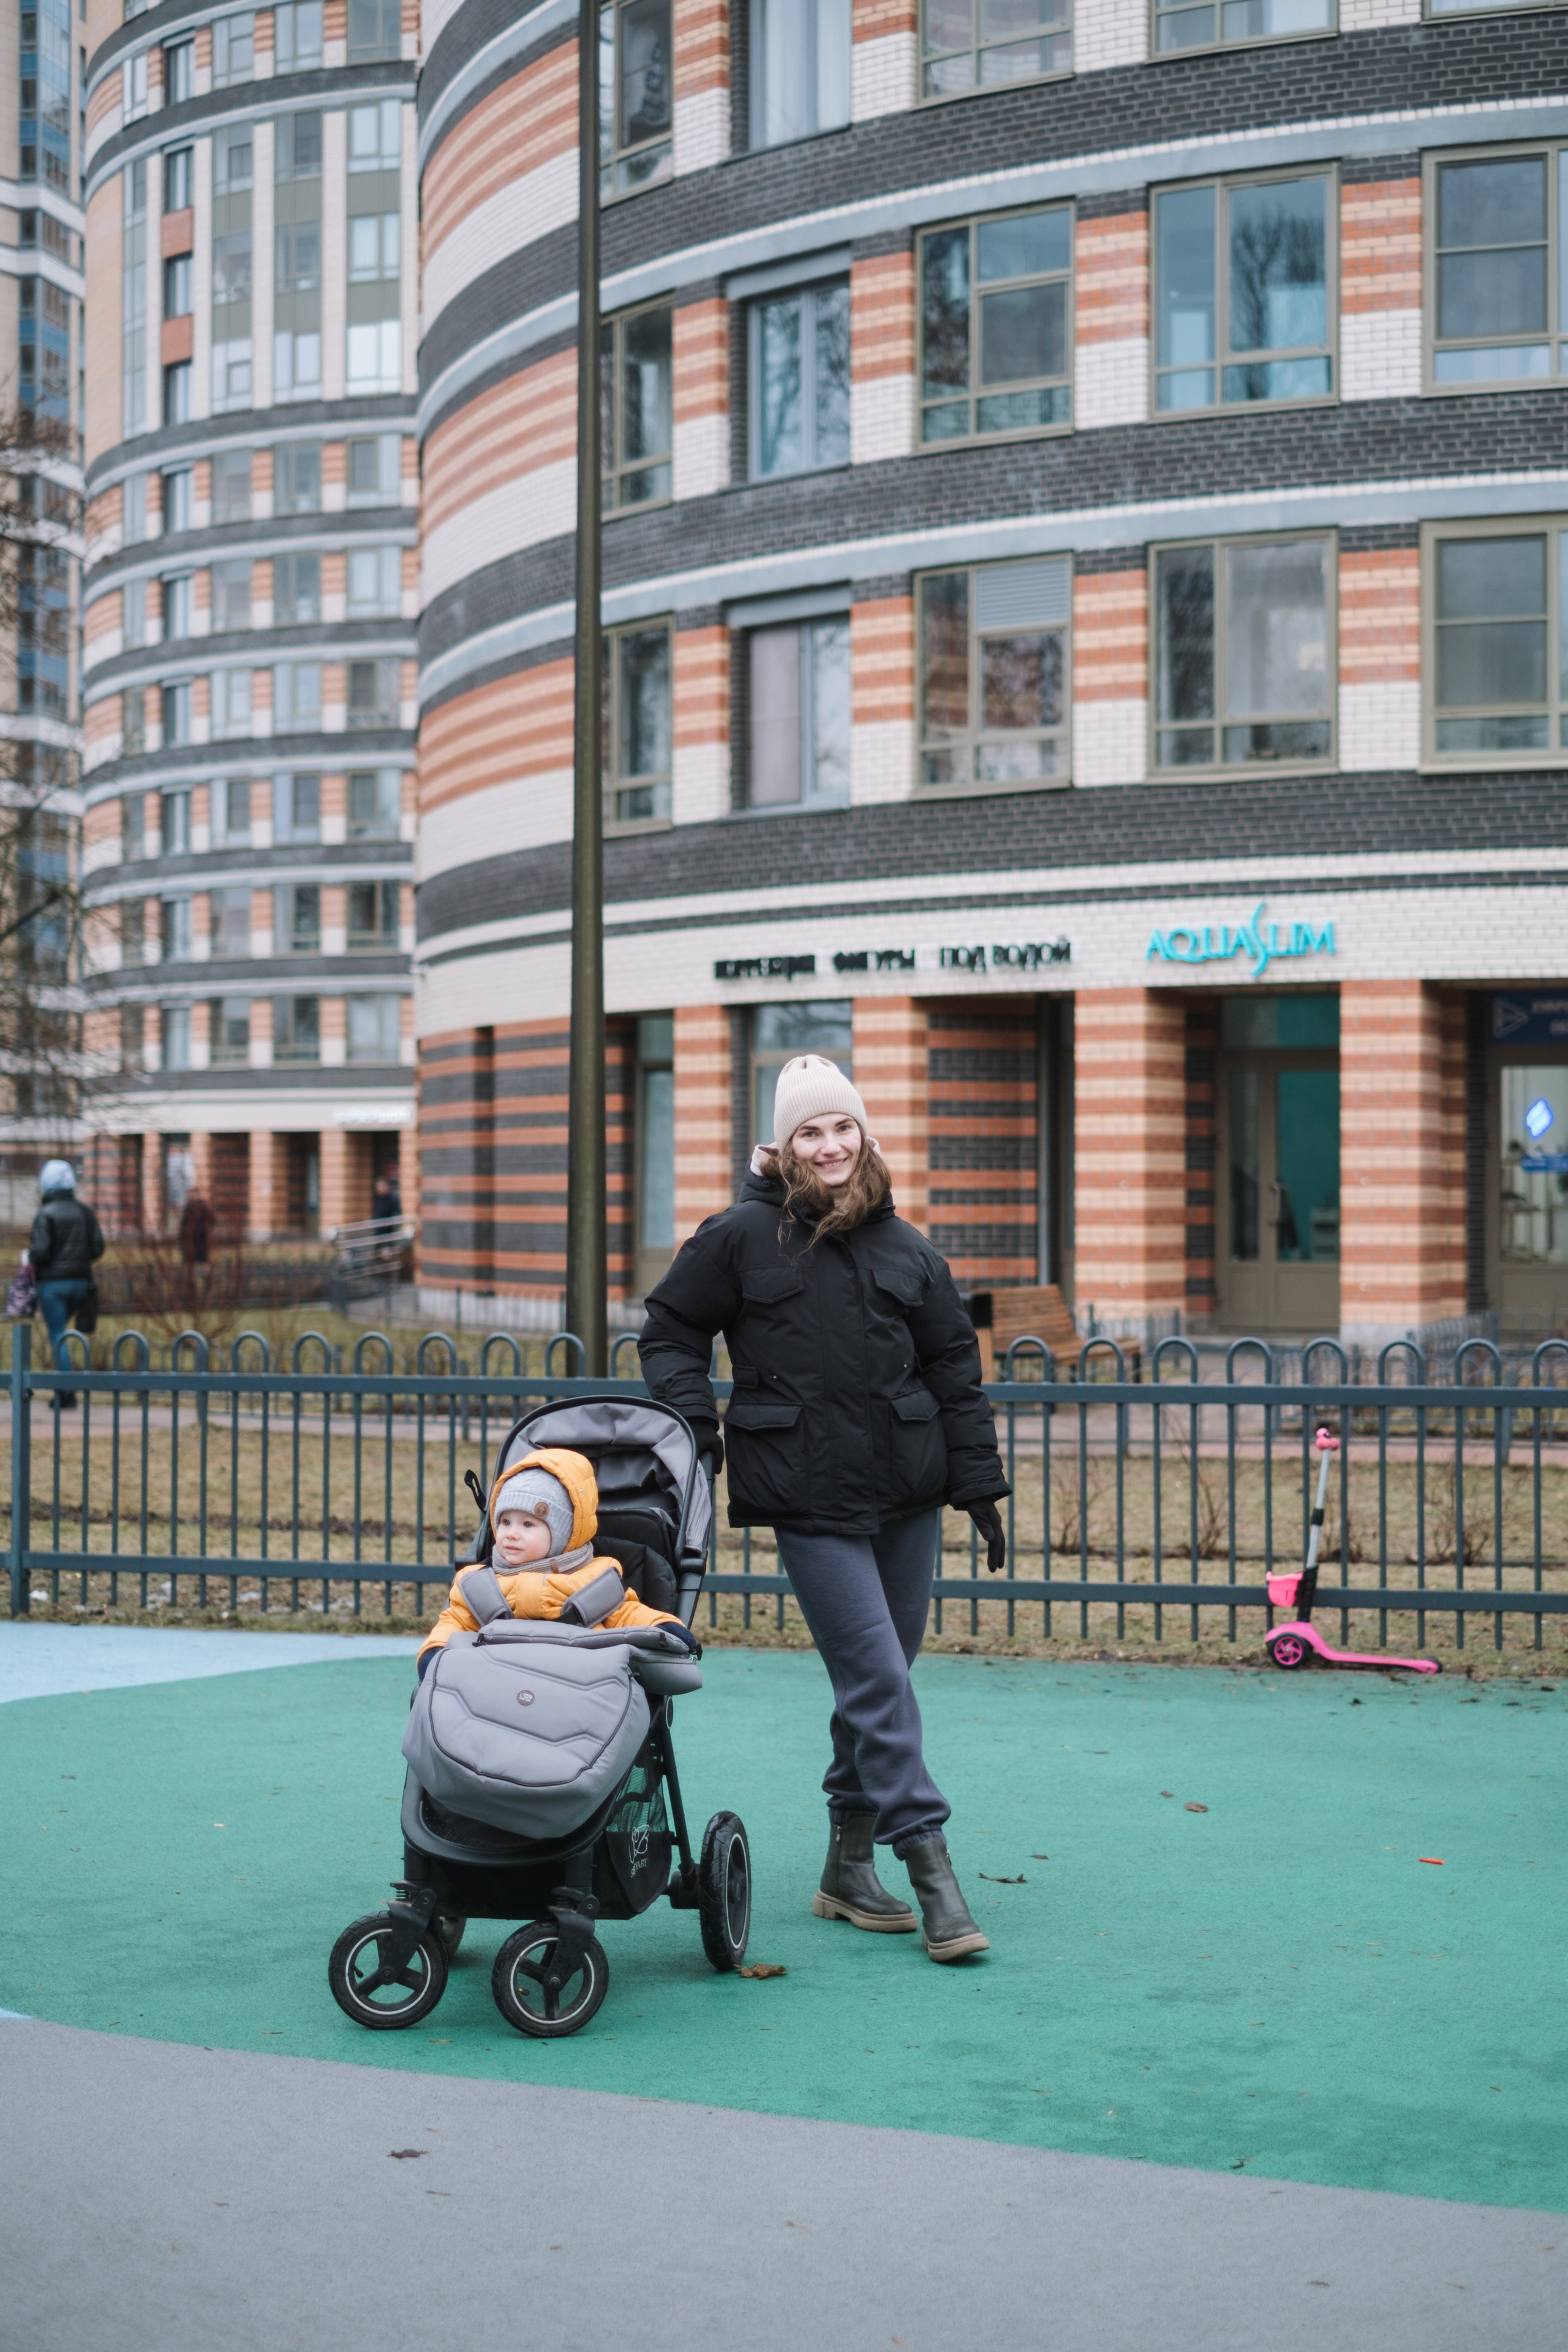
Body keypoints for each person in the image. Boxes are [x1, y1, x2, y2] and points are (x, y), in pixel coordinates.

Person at [639, 1055, 1009, 1964]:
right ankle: (931, 1868)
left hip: (907, 1493)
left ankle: (847, 1866)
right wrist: (695, 1421)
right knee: (878, 1680)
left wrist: (978, 1485)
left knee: (878, 1680)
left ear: (863, 1135)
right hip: (806, 1495)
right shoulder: (738, 1237)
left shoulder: (908, 1249)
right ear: (783, 1145)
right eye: (810, 1131)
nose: (831, 1144)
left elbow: (954, 1372)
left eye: (842, 1126)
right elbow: (671, 1331)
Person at [417, 1447, 697, 1678]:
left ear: (563, 1535)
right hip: (499, 1682)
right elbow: (454, 1623)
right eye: (505, 1522)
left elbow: (629, 1615)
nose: (511, 1533)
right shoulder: (479, 1585)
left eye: (528, 1524)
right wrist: (435, 1652)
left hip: (580, 1684)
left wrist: (665, 1627)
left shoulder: (595, 1582)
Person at [25, 1160, 105, 1412]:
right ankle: (66, 1387)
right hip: (81, 1283)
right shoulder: (85, 1212)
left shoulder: (46, 1214)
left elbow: (39, 1252)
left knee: (58, 1334)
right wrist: (79, 1260)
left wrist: (30, 1258)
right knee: (66, 1333)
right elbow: (98, 1248)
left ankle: (66, 1393)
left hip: (53, 1285)